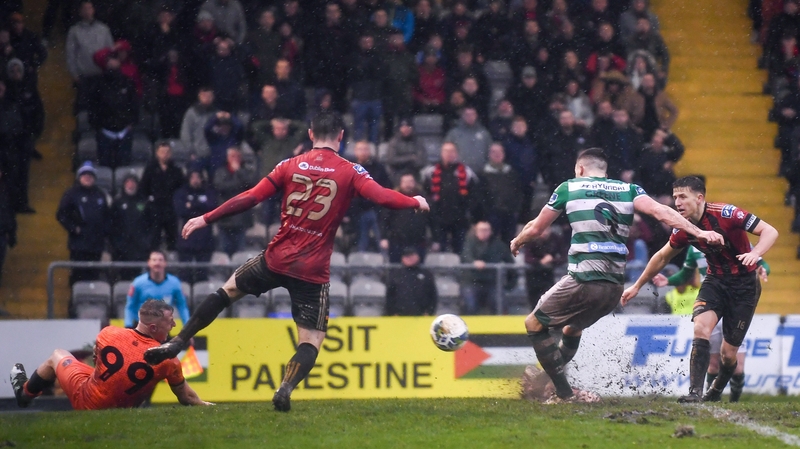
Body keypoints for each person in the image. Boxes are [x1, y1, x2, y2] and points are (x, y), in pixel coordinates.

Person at [142, 112, 429, 412]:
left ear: (309, 133)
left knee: (226, 293)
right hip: (313, 271)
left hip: (276, 258)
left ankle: (179, 341)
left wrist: (206, 217)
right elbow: (382, 197)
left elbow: (251, 197)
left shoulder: (289, 164)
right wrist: (414, 201)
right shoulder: (351, 170)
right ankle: (285, 387)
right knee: (311, 341)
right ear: (341, 136)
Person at [510, 149, 724, 403]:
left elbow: (537, 228)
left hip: (583, 277)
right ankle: (546, 383)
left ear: (580, 170)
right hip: (614, 286)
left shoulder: (570, 186)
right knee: (572, 328)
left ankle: (564, 393)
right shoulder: (628, 189)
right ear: (605, 172)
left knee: (533, 324)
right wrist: (697, 232)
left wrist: (518, 240)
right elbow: (661, 212)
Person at [622, 176, 778, 403]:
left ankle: (715, 391)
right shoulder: (683, 228)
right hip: (715, 281)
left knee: (728, 354)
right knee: (700, 328)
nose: (677, 202)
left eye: (682, 197)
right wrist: (637, 285)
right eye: (675, 197)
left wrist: (755, 255)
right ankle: (694, 393)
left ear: (699, 198)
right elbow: (663, 256)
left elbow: (770, 231)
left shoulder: (726, 213)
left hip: (744, 286)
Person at [10, 300, 211, 410]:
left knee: (57, 355)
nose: (174, 325)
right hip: (119, 410)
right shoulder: (168, 360)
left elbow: (100, 365)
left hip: (86, 400)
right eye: (170, 321)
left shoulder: (108, 333)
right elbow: (186, 397)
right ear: (153, 327)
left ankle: (25, 394)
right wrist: (208, 406)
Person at [655, 244, 770, 402]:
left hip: (737, 303)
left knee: (735, 364)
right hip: (713, 303)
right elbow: (685, 274)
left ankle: (734, 401)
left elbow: (761, 263)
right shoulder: (694, 247)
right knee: (713, 364)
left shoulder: (734, 237)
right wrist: (668, 280)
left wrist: (763, 270)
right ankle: (710, 399)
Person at [56, 162, 110, 289]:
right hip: (79, 245)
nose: (87, 177)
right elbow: (61, 215)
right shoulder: (71, 194)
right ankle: (74, 304)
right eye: (84, 174)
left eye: (90, 175)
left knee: (94, 275)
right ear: (79, 176)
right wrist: (74, 228)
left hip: (96, 245)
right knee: (78, 276)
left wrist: (104, 232)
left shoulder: (100, 194)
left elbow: (107, 217)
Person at [125, 251, 191, 328]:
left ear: (165, 263)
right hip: (141, 327)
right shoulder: (138, 283)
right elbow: (130, 306)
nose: (157, 263)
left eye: (160, 260)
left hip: (163, 328)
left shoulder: (175, 283)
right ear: (149, 263)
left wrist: (187, 327)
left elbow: (182, 306)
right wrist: (128, 325)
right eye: (154, 260)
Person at [461, 221, 514, 315]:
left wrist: (510, 284)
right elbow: (465, 256)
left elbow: (510, 263)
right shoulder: (469, 243)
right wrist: (474, 262)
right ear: (476, 231)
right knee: (470, 305)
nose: (484, 232)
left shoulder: (498, 245)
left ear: (491, 231)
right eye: (481, 230)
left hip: (492, 282)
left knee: (499, 303)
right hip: (472, 281)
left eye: (486, 230)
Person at [174, 169, 218, 282]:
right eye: (192, 177)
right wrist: (200, 205)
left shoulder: (209, 191)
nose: (195, 180)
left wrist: (192, 204)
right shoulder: (181, 192)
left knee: (202, 275)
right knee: (185, 274)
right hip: (186, 239)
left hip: (205, 240)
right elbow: (181, 210)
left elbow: (212, 208)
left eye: (197, 177)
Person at [139, 142, 184, 251]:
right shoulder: (150, 169)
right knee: (153, 239)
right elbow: (143, 188)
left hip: (171, 209)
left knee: (172, 239)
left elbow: (181, 189)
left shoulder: (176, 171)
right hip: (155, 209)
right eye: (162, 152)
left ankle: (172, 261)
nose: (165, 154)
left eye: (167, 152)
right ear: (157, 153)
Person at [110, 174, 151, 280]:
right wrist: (117, 243)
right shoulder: (117, 203)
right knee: (124, 279)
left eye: (133, 182)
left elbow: (151, 224)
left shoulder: (144, 202)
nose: (130, 185)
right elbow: (111, 225)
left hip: (140, 249)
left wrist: (146, 242)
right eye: (128, 182)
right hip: (122, 249)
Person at [385, 247, 438, 316]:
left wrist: (429, 312)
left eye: (412, 255)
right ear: (402, 258)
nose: (410, 258)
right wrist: (392, 313)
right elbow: (390, 296)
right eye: (407, 256)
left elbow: (433, 295)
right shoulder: (396, 274)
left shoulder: (426, 274)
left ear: (417, 257)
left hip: (422, 316)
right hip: (400, 317)